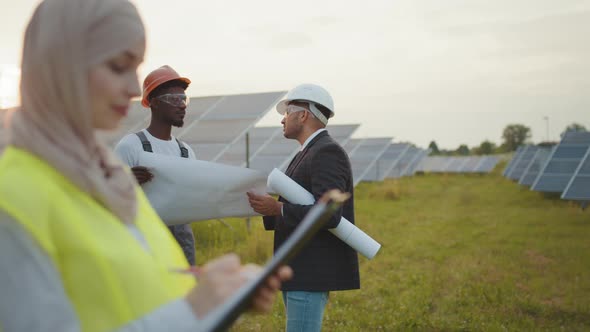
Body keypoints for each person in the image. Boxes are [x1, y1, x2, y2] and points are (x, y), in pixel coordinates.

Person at [0, 0, 291, 331]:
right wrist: (194, 309)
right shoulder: (13, 197)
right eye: (116, 66)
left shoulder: (107, 175)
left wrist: (221, 299)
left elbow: (143, 286)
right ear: (61, 65)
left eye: (135, 67)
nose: (131, 88)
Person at [247, 84, 360, 332]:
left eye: (287, 113)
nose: (282, 120)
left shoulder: (326, 152)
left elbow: (329, 214)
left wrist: (277, 209)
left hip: (310, 270)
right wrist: (268, 208)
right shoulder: (307, 152)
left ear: (303, 115)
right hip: (300, 269)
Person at [115, 65, 197, 265]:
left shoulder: (186, 151)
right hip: (143, 244)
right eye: (174, 99)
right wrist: (126, 183)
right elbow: (108, 201)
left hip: (181, 244)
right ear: (153, 103)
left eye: (183, 99)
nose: (182, 105)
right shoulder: (131, 146)